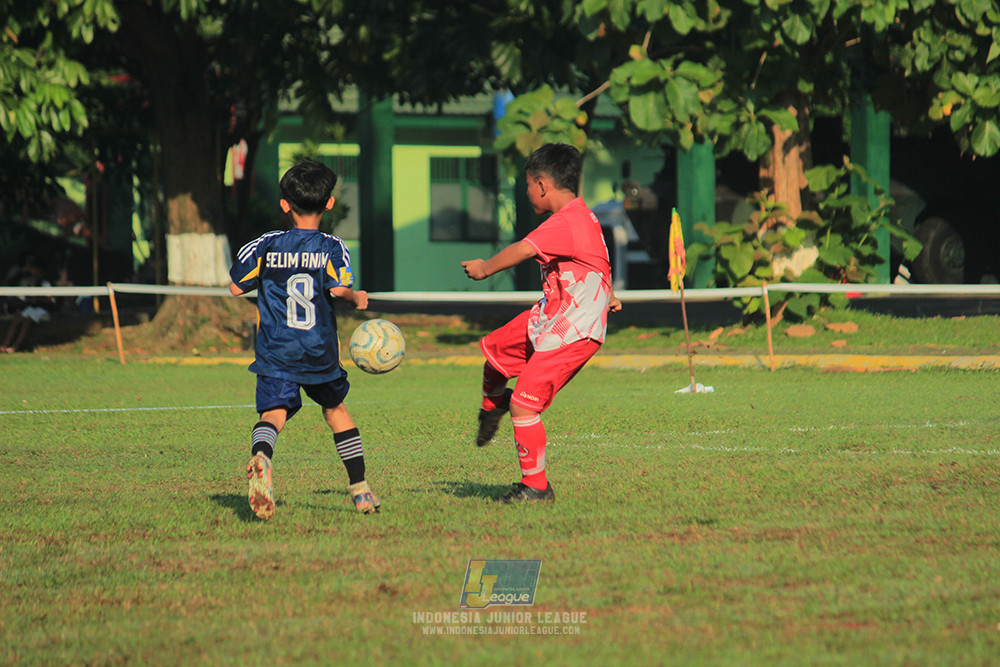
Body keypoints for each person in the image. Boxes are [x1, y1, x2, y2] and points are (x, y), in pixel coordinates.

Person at [460, 143, 622, 504]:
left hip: (572, 330)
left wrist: (485, 268)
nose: (527, 192)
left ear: (542, 184)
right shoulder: (584, 217)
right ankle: (491, 407)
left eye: (527, 185)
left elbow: (524, 248)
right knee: (496, 352)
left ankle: (536, 488)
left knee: (524, 404)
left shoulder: (564, 221)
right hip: (553, 314)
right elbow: (595, 261)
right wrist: (606, 296)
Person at [228, 159, 378, 521]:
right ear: (328, 203)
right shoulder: (332, 246)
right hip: (318, 350)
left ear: (284, 204)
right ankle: (360, 491)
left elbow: (235, 287)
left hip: (276, 349)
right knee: (336, 411)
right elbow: (339, 288)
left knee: (273, 413)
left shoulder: (265, 244)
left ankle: (262, 457)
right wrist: (357, 297)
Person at [2, 254, 53, 353]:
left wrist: (35, 295)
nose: (31, 271)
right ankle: (5, 345)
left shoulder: (45, 282)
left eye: (33, 268)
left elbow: (48, 299)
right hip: (33, 307)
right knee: (17, 318)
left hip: (43, 308)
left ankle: (15, 347)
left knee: (26, 321)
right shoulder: (31, 280)